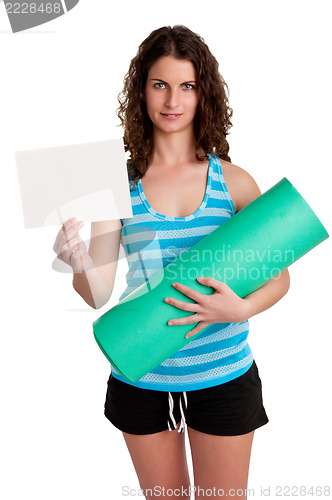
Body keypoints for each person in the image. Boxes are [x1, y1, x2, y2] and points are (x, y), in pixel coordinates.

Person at [53, 25, 290, 500]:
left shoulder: (234, 182)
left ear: (203, 94)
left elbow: (280, 277)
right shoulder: (117, 185)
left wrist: (239, 310)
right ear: (142, 91)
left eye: (187, 86)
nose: (172, 100)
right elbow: (97, 292)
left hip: (222, 374)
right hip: (141, 373)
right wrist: (76, 261)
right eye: (160, 84)